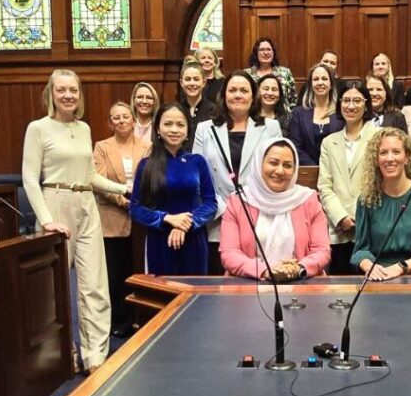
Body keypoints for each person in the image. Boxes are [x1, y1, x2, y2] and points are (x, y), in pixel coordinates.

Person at [22, 69, 128, 373]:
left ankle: (95, 355)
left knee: (94, 283)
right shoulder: (38, 128)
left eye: (74, 90)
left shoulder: (83, 128)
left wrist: (123, 188)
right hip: (55, 204)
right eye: (62, 90)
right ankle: (60, 355)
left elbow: (90, 176)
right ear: (51, 93)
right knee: (53, 289)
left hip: (87, 204)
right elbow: (30, 178)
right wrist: (46, 220)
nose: (68, 95)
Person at [193, 69, 283, 271]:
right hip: (219, 217)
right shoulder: (205, 129)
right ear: (224, 95)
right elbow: (198, 177)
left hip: (260, 216)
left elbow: (278, 174)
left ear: (253, 96)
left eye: (244, 90)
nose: (238, 95)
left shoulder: (270, 127)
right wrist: (227, 210)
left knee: (258, 282)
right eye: (232, 90)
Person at [220, 138, 330, 280]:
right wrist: (266, 271)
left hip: (301, 284)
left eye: (287, 165)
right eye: (273, 163)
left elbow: (322, 251)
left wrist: (298, 268)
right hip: (249, 285)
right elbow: (229, 254)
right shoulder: (239, 201)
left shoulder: (308, 199)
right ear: (259, 163)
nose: (280, 171)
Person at [129, 102, 217, 277]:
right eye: (168, 124)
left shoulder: (197, 161)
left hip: (194, 239)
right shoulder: (146, 165)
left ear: (187, 130)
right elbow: (135, 208)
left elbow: (211, 203)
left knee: (194, 296)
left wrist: (185, 224)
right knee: (162, 298)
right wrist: (167, 218)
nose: (174, 130)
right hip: (160, 240)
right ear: (158, 129)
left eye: (180, 124)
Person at [351, 128, 411, 279]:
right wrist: (369, 266)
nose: (389, 159)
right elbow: (360, 250)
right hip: (378, 277)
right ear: (375, 160)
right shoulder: (366, 200)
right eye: (383, 153)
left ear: (407, 157)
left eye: (396, 152)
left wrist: (401, 267)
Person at [93, 101, 150, 337]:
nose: (121, 121)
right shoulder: (102, 147)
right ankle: (119, 321)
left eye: (125, 116)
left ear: (134, 120)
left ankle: (139, 319)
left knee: (137, 270)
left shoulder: (147, 146)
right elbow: (98, 180)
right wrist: (122, 200)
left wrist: (136, 203)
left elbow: (148, 178)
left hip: (139, 221)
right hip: (111, 217)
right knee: (114, 274)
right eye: (115, 118)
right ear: (109, 122)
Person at [317, 79, 378, 274]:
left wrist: (361, 217)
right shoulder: (329, 142)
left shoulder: (380, 137)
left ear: (366, 104)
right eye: (346, 100)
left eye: (357, 101)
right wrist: (340, 216)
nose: (351, 106)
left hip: (372, 226)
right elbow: (325, 186)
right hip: (339, 229)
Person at [286, 62, 339, 165]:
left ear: (331, 84)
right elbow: (296, 146)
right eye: (316, 79)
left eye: (324, 79)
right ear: (310, 85)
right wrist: (314, 168)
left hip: (335, 170)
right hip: (306, 171)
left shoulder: (340, 113)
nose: (320, 82)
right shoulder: (298, 113)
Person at [247, 36, 298, 109]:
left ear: (273, 53)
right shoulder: (247, 74)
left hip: (283, 116)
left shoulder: (285, 73)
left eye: (268, 49)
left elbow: (293, 99)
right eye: (262, 50)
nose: (266, 53)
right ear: (256, 53)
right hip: (255, 116)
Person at [179, 58, 214, 147]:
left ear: (204, 82)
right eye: (187, 79)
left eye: (196, 79)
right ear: (181, 83)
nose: (192, 83)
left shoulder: (214, 110)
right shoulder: (176, 110)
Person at [130, 82, 158, 146]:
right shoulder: (127, 124)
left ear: (154, 101)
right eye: (140, 97)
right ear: (134, 100)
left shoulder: (159, 126)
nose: (144, 101)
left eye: (149, 98)